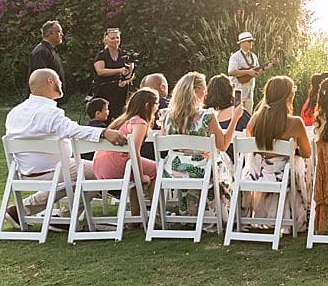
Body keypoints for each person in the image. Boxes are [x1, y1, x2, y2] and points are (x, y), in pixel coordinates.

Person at [2, 69, 127, 227]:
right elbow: (73, 130)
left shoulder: (15, 112)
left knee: (76, 174)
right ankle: (66, 217)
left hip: (24, 172)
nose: (61, 83)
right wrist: (104, 132)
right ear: (50, 82)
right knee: (99, 170)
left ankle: (21, 210)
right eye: (59, 80)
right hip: (54, 170)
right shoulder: (50, 113)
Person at [161, 72, 239, 218]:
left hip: (172, 170)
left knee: (219, 160)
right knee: (223, 159)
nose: (206, 92)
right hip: (201, 170)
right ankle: (222, 211)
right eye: (204, 88)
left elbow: (166, 141)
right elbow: (222, 145)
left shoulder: (166, 115)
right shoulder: (207, 116)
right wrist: (235, 119)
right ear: (196, 91)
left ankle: (193, 210)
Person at [243, 75, 312, 222]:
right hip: (282, 177)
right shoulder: (295, 123)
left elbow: (251, 145)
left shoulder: (255, 119)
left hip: (255, 176)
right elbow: (307, 153)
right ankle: (296, 215)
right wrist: (292, 151)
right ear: (288, 96)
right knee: (300, 163)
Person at [93, 88, 159, 194]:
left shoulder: (121, 120)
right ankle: (156, 208)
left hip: (99, 167)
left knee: (136, 168)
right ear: (147, 105)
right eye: (156, 103)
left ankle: (137, 210)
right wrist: (141, 177)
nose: (157, 107)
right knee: (157, 168)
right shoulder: (139, 123)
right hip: (115, 166)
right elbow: (134, 152)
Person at [91, 28, 135, 124]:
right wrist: (119, 70)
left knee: (120, 114)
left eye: (117, 38)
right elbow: (100, 71)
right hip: (104, 90)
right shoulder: (101, 55)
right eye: (112, 38)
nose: (115, 40)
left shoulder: (124, 54)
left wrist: (129, 73)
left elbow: (130, 72)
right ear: (106, 39)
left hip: (121, 89)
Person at [206, 74, 251, 161]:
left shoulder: (205, 116)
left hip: (211, 165)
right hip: (237, 164)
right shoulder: (241, 114)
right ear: (230, 91)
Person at [29, 20, 66, 106]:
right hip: (43, 101)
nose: (62, 34)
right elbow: (40, 79)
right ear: (50, 33)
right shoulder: (41, 52)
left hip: (51, 99)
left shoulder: (51, 50)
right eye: (59, 31)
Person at [227, 32, 264, 111]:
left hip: (250, 90)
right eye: (249, 41)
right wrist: (248, 72)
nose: (251, 43)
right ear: (242, 43)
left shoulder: (254, 56)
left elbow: (257, 70)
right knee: (236, 113)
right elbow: (231, 72)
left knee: (248, 115)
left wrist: (263, 69)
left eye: (251, 41)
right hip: (237, 90)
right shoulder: (235, 56)